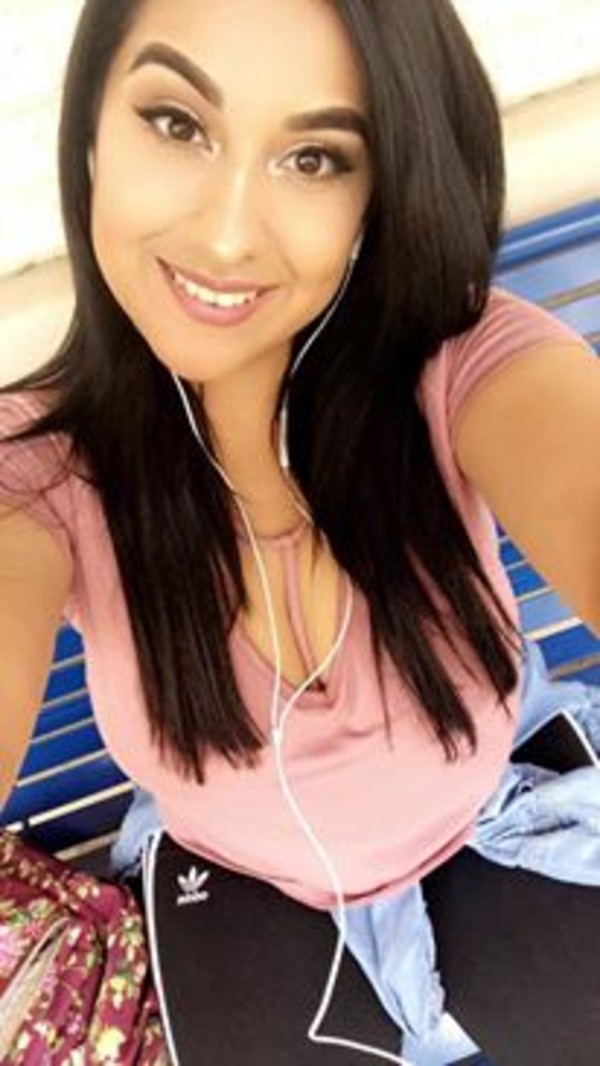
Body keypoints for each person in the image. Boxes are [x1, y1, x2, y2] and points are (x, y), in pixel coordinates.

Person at [1, 1, 599, 1063]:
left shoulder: (461, 367)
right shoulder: (40, 472)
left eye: (315, 158)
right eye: (177, 124)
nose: (228, 233)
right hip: (242, 892)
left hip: (492, 827)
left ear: (380, 186)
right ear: (92, 128)